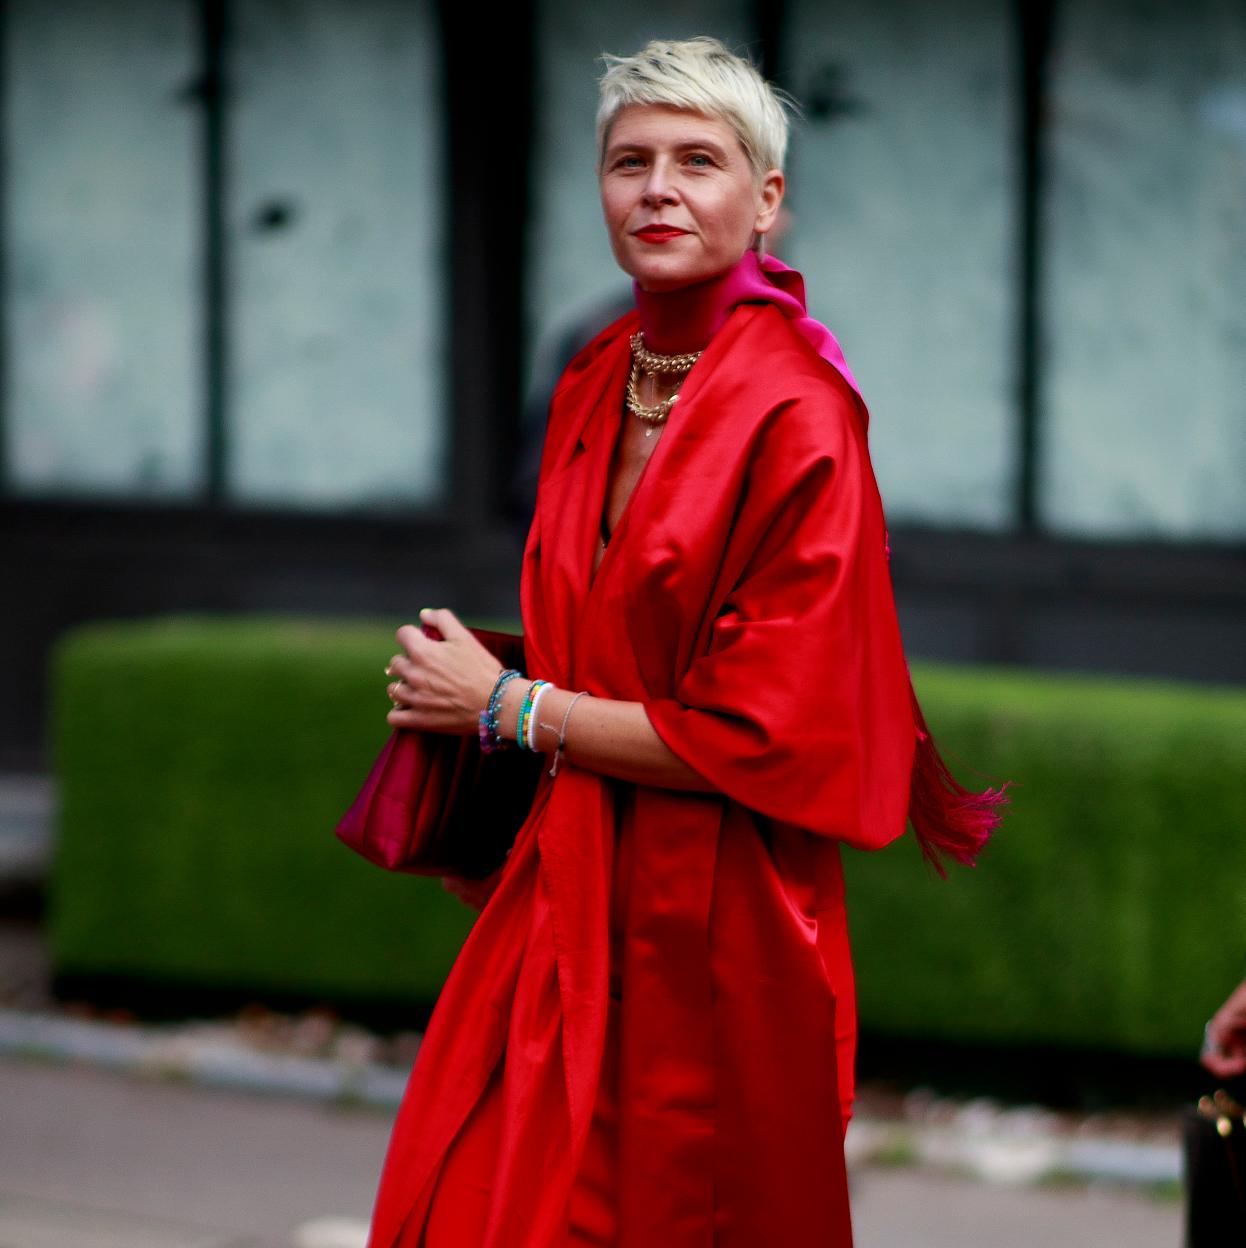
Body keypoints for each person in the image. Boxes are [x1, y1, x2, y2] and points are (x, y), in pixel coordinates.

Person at [369, 37, 1007, 1248]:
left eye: (697, 161)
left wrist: (502, 707)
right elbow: (596, 642)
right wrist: (495, 719)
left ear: (765, 200)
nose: (657, 188)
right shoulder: (593, 372)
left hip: (718, 920)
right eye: (629, 161)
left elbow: (761, 733)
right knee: (471, 1204)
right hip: (562, 885)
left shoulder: (801, 411)